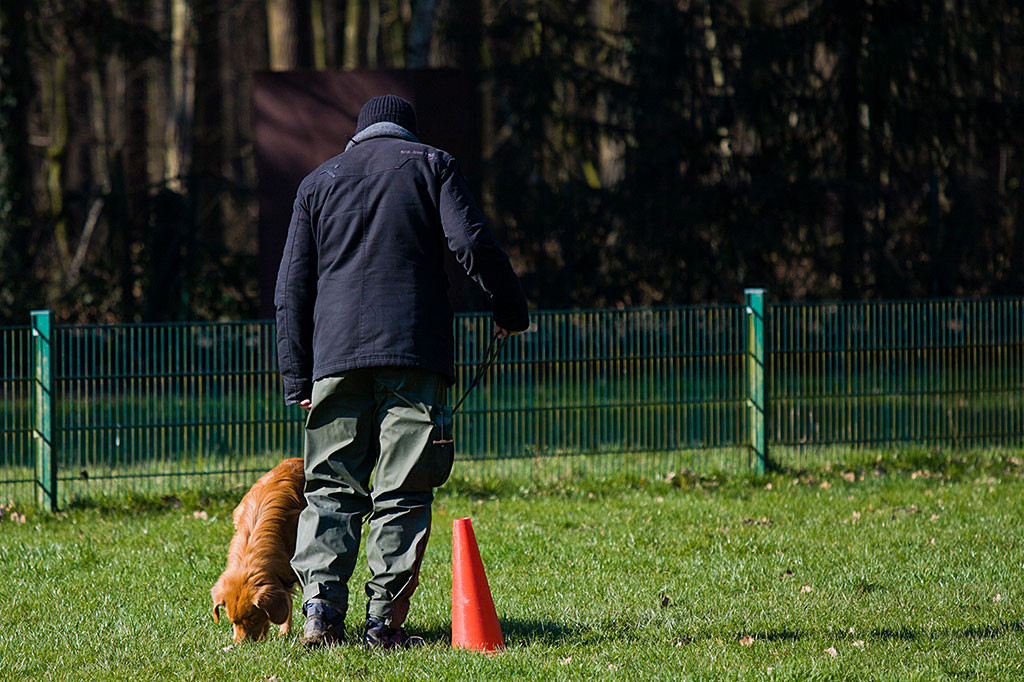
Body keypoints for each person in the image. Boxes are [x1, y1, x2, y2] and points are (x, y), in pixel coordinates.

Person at [274, 94, 529, 650]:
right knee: (403, 491)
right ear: (406, 134)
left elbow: (291, 290)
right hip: (415, 352)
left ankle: (320, 613)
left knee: (330, 489)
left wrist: (297, 379)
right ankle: (383, 623)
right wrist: (510, 309)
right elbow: (471, 242)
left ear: (359, 134)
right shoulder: (432, 165)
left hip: (334, 360)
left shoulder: (317, 183)